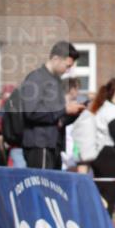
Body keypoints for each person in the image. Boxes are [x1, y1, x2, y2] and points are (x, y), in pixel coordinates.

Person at [20, 41, 84, 169]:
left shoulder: (56, 81)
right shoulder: (36, 78)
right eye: (67, 66)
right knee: (42, 182)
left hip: (54, 145)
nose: (68, 70)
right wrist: (64, 109)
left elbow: (58, 118)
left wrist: (75, 113)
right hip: (40, 145)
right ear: (55, 59)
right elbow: (32, 112)